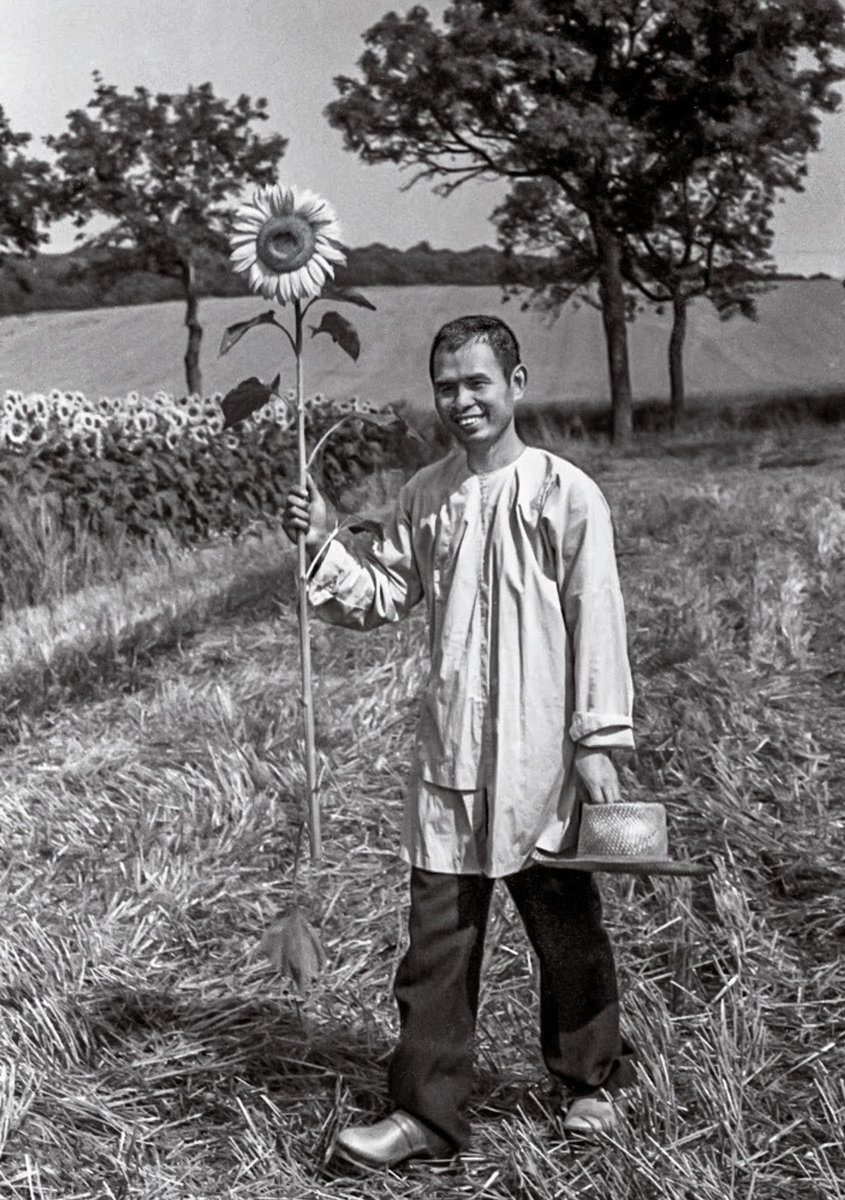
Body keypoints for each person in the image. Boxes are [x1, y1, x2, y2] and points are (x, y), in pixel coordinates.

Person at [282, 314, 636, 1170]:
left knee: (566, 933)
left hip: (540, 760)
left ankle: (589, 1083)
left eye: (478, 382)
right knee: (435, 948)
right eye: (446, 385)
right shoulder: (426, 494)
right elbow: (379, 595)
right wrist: (325, 537)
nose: (461, 400)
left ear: (517, 384)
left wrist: (596, 740)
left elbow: (598, 619)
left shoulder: (563, 492)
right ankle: (425, 1118)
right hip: (450, 759)